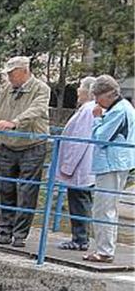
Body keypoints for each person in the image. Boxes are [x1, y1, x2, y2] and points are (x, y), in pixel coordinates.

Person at [0, 55, 51, 248]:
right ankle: (4, 231)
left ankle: (20, 234)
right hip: (7, 145)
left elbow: (36, 111)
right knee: (5, 188)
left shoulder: (41, 89)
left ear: (24, 71)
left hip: (31, 145)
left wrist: (14, 123)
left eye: (12, 74)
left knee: (26, 191)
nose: (9, 78)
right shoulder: (6, 89)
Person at [86, 74, 135, 264]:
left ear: (107, 95)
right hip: (117, 162)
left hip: (111, 164)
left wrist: (97, 119)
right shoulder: (124, 108)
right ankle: (105, 249)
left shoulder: (118, 111)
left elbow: (100, 138)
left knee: (103, 208)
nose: (96, 101)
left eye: (97, 97)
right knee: (107, 207)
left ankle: (105, 251)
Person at [56, 76, 98, 251]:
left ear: (88, 91)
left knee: (79, 200)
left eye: (80, 87)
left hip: (81, 165)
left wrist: (67, 166)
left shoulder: (87, 110)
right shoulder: (90, 109)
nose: (78, 90)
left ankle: (80, 239)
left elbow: (79, 140)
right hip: (85, 164)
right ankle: (81, 237)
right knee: (82, 200)